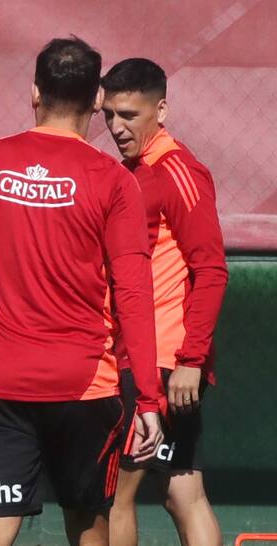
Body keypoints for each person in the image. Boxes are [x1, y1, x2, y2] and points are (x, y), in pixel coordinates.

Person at [0, 37, 164, 546]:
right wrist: (149, 397)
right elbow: (133, 294)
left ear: (34, 93)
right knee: (87, 525)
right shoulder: (113, 180)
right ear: (95, 103)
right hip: (84, 386)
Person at [101, 58, 228, 546]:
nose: (116, 127)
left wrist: (191, 360)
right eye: (109, 114)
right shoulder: (131, 171)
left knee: (115, 496)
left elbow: (211, 269)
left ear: (162, 110)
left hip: (159, 362)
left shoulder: (177, 169)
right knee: (181, 490)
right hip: (148, 358)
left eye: (129, 115)